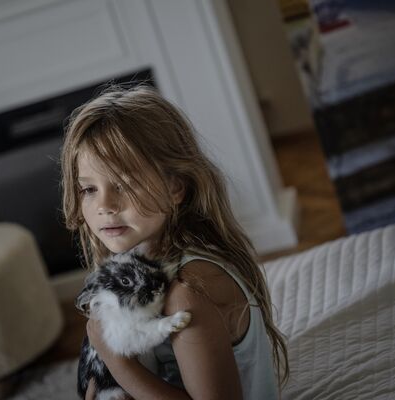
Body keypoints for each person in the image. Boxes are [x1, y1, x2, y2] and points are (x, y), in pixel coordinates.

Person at [60, 85, 288, 399]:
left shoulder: (187, 292)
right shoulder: (135, 268)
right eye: (89, 189)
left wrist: (118, 363)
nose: (105, 205)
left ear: (175, 187)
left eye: (125, 184)